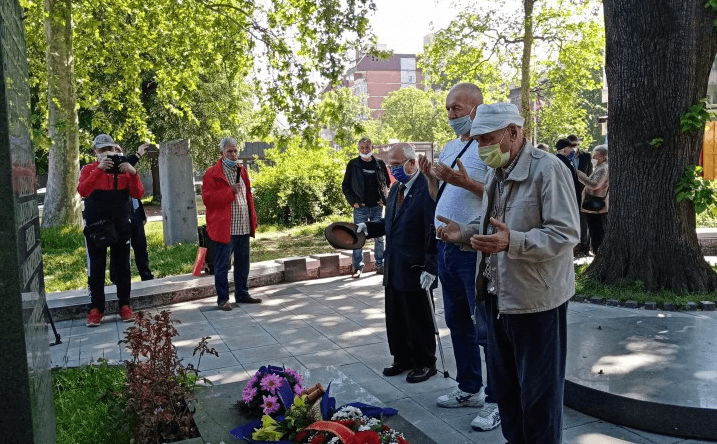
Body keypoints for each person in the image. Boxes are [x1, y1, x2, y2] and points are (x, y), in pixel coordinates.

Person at [437, 103, 580, 444]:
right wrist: (465, 234)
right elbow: (493, 229)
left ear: (514, 132)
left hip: (536, 304)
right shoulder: (496, 174)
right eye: (478, 140)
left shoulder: (548, 169)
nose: (482, 148)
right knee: (508, 396)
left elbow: (565, 234)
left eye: (486, 139)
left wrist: (512, 242)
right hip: (496, 301)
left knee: (539, 400)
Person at [417, 83, 500, 432]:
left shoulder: (491, 148)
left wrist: (463, 183)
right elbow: (442, 195)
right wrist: (431, 180)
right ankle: (469, 388)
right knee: (457, 322)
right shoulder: (452, 146)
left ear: (477, 109)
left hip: (473, 249)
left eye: (457, 108)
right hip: (446, 248)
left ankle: (497, 400)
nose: (451, 115)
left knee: (486, 326)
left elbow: (499, 195)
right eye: (448, 109)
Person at [358, 143, 438, 384]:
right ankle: (402, 358)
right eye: (390, 164)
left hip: (416, 267)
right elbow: (388, 224)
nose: (392, 169)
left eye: (396, 164)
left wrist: (431, 267)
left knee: (417, 317)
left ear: (412, 163)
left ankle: (425, 362)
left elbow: (432, 230)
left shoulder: (427, 189)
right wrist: (368, 228)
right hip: (394, 266)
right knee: (395, 317)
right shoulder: (395, 190)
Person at [78, 134, 145, 326]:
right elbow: (83, 190)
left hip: (122, 226)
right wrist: (98, 170)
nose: (106, 153)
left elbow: (138, 193)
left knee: (123, 266)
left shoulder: (124, 170)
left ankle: (124, 305)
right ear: (95, 151)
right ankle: (96, 308)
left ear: (115, 149)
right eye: (101, 150)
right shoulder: (89, 169)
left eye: (109, 149)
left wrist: (133, 173)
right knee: (96, 267)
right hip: (96, 227)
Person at [201, 137, 261, 310]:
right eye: (229, 151)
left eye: (235, 151)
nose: (233, 154)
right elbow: (208, 199)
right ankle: (223, 299)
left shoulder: (242, 171)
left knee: (243, 263)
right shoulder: (211, 173)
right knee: (222, 265)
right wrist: (229, 191)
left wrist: (252, 220)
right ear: (222, 153)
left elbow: (247, 197)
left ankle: (242, 294)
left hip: (243, 225)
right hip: (225, 228)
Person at [342, 137, 391, 278]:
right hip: (360, 207)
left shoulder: (380, 164)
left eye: (368, 147)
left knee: (380, 237)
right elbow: (345, 186)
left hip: (376, 207)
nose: (365, 150)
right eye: (362, 148)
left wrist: (384, 199)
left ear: (372, 148)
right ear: (359, 149)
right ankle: (358, 267)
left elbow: (386, 183)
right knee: (358, 237)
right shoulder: (353, 164)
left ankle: (380, 265)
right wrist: (353, 202)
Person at [110, 144, 154, 282]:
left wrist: (141, 214)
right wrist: (138, 155)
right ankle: (116, 278)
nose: (118, 153)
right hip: (120, 216)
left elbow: (137, 194)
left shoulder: (129, 169)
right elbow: (123, 164)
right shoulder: (111, 168)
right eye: (114, 150)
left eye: (120, 150)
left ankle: (146, 276)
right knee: (118, 249)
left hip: (135, 214)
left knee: (141, 246)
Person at [577, 145, 609, 253]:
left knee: (597, 233)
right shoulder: (599, 168)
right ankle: (597, 253)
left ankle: (598, 254)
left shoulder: (603, 169)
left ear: (602, 156)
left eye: (595, 154)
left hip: (596, 207)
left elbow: (595, 185)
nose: (593, 156)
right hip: (593, 207)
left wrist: (580, 175)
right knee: (594, 231)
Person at [568, 134, 593, 256]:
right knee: (571, 220)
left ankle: (585, 247)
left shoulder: (586, 156)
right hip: (569, 193)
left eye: (575, 145)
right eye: (571, 145)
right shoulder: (565, 157)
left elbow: (590, 175)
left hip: (583, 193)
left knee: (584, 221)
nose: (573, 147)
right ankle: (574, 247)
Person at [555, 138, 581, 209]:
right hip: (566, 200)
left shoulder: (563, 161)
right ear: (564, 150)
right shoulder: (561, 162)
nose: (572, 151)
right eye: (570, 148)